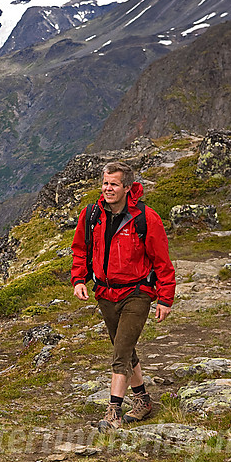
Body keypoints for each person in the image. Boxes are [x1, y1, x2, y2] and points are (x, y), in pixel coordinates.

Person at [71, 161, 175, 432]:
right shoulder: (92, 214)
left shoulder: (146, 218)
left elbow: (162, 261)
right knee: (126, 350)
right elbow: (80, 250)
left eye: (114, 184)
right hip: (105, 293)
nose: (108, 188)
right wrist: (79, 280)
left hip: (137, 293)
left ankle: (114, 411)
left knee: (120, 354)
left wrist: (165, 298)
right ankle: (143, 401)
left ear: (127, 187)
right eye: (105, 183)